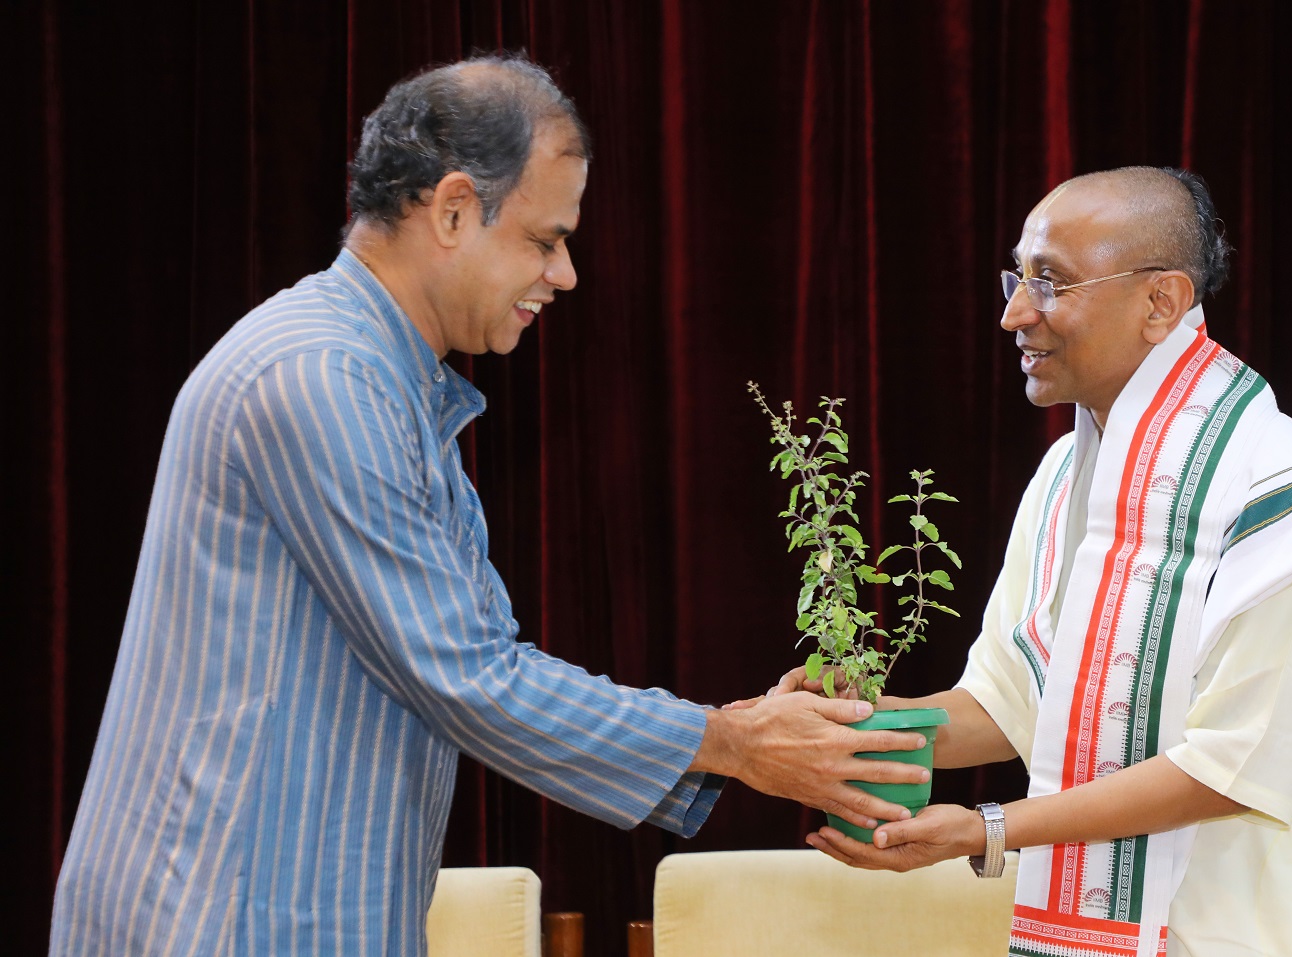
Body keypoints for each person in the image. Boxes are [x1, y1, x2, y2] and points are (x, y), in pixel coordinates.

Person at [49, 53, 928, 957]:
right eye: (547, 239)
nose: (567, 273)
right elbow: (469, 676)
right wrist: (735, 742)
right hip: (223, 913)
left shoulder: (381, 380)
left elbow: (476, 665)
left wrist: (741, 731)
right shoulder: (320, 375)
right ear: (455, 209)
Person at [788, 168, 1292, 956]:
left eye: (1051, 282)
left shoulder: (1282, 495)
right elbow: (1012, 700)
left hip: (1259, 926)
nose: (1015, 314)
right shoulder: (1066, 473)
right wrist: (847, 729)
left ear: (1160, 302)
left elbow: (1229, 767)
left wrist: (985, 829)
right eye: (1018, 276)